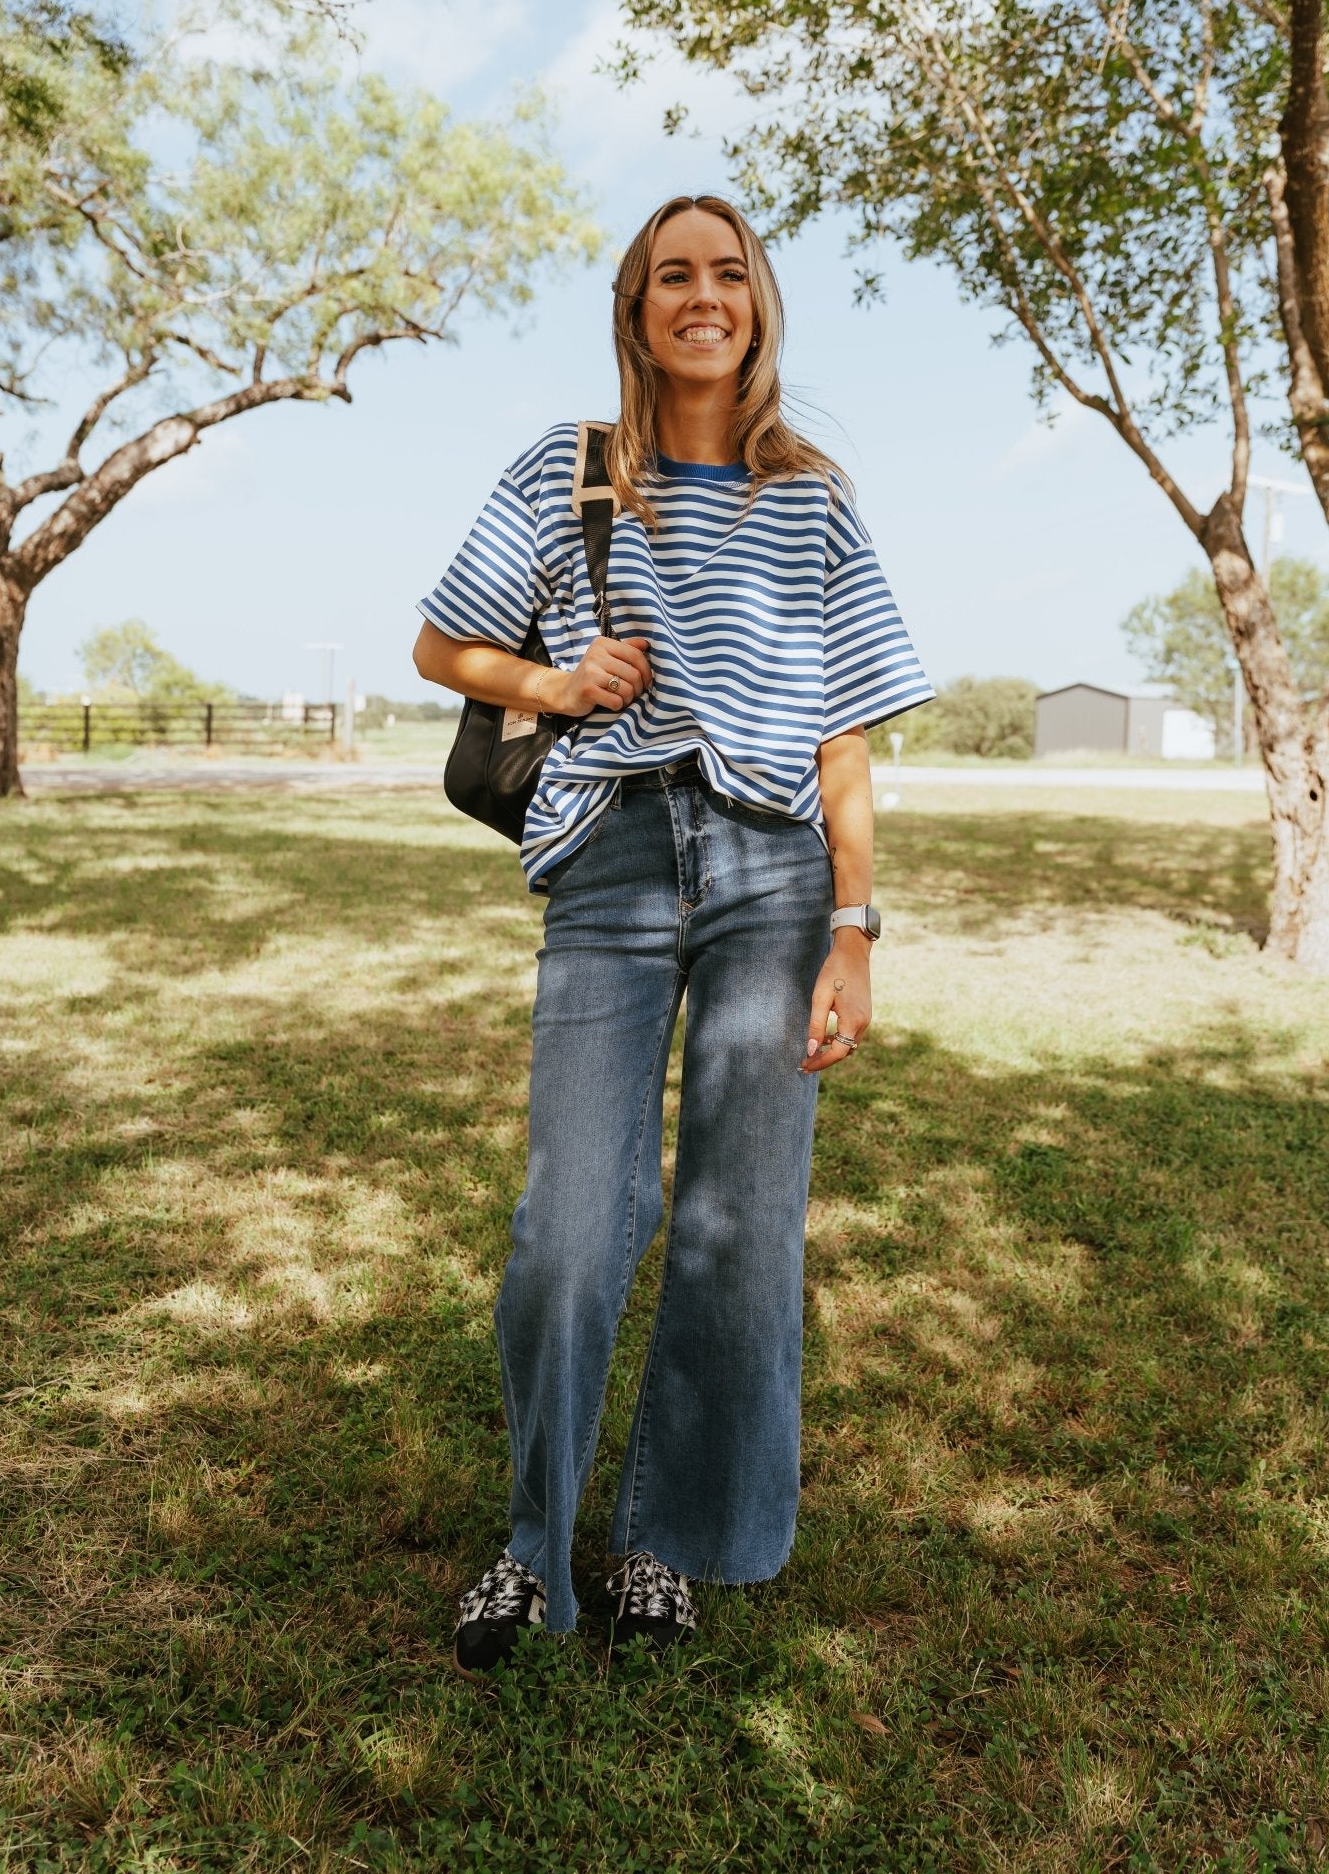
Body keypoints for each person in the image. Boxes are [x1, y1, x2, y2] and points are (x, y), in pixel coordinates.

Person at [412, 194, 933, 1675]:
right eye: (669, 277)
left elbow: (842, 732)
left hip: (775, 874)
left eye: (726, 274)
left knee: (738, 1228)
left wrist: (854, 927)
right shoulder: (568, 470)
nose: (700, 297)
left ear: (759, 305)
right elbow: (440, 641)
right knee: (571, 1228)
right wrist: (560, 681)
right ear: (636, 310)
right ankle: (529, 1546)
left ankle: (662, 1542)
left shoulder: (814, 496)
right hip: (614, 861)